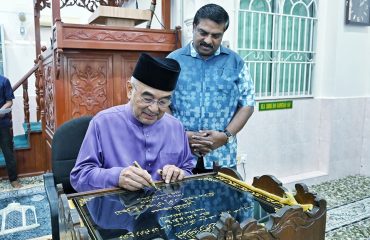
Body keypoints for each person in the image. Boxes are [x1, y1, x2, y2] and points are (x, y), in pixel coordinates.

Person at [70, 53, 195, 192]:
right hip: (116, 210)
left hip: (164, 211)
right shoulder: (102, 123)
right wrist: (116, 177)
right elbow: (79, 177)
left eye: (163, 101)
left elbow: (187, 169)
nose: (154, 109)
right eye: (147, 99)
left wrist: (179, 173)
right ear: (130, 90)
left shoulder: (176, 127)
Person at [167, 4, 255, 173]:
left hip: (221, 157)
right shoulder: (173, 61)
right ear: (193, 27)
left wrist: (225, 136)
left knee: (223, 198)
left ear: (223, 34)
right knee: (181, 198)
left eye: (216, 35)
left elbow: (247, 104)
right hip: (180, 156)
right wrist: (180, 136)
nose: (208, 40)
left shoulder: (235, 63)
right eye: (203, 32)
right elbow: (161, 103)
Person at [0, 74, 22, 188]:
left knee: (8, 152)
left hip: (2, 124)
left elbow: (9, 101)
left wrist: (0, 111)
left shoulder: (4, 81)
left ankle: (13, 179)